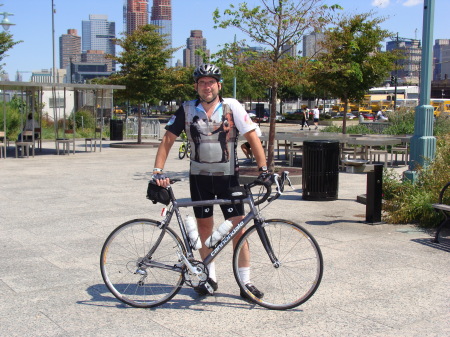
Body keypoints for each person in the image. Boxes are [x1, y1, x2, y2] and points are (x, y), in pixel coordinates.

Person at [152, 64, 267, 299]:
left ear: (219, 85)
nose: (207, 86)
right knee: (205, 228)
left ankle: (245, 282)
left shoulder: (231, 106)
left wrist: (263, 169)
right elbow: (168, 139)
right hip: (200, 178)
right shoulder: (186, 109)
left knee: (238, 228)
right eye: (202, 82)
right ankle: (209, 278)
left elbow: (252, 137)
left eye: (211, 82)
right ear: (196, 86)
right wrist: (157, 170)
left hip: (228, 178)